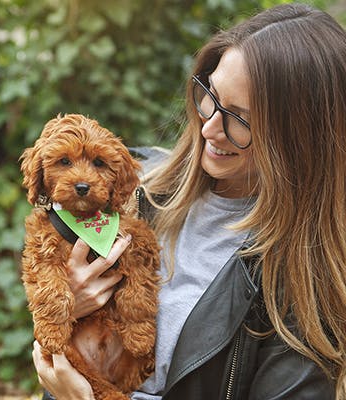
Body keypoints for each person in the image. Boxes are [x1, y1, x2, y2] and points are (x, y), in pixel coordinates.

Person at [31, 3, 346, 399]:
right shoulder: (136, 190)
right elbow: (64, 354)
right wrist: (65, 310)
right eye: (209, 95)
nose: (210, 127)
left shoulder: (305, 283)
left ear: (299, 137)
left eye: (240, 118)